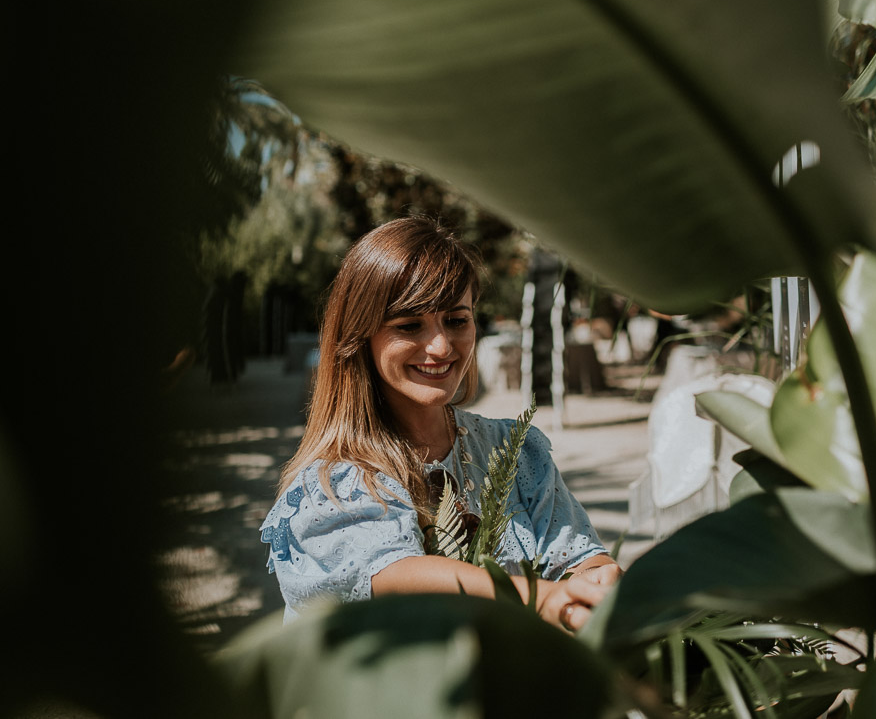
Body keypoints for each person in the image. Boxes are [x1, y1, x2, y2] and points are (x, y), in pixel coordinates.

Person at [260, 217, 622, 632]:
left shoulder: (516, 449)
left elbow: (578, 556)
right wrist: (542, 600)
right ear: (360, 336)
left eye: (456, 319)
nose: (441, 346)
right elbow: (394, 574)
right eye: (409, 325)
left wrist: (595, 580)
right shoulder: (330, 484)